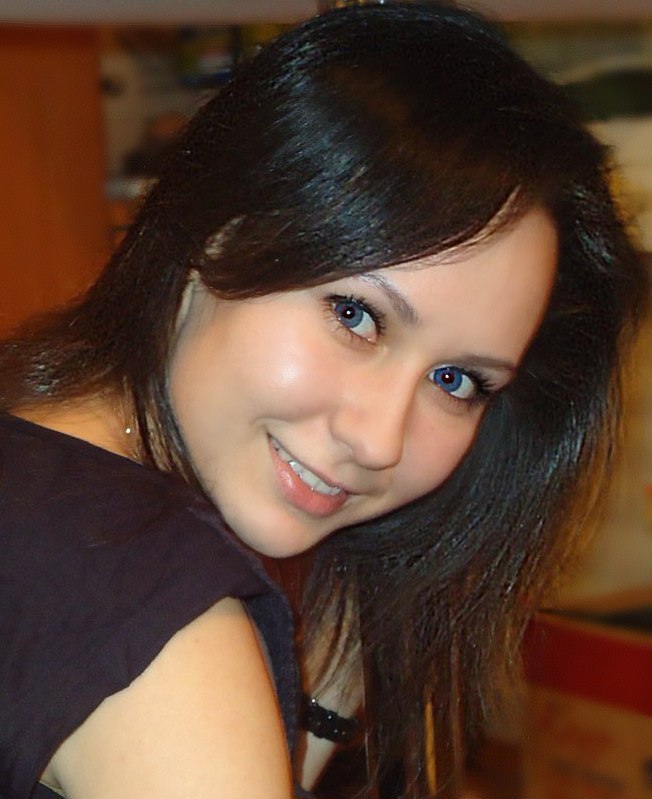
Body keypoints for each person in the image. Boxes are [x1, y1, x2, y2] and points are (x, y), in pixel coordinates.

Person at [0, 3, 647, 798]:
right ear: (218, 231)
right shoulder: (161, 633)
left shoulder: (35, 447)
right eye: (356, 316)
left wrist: (333, 668)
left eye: (456, 381)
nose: (379, 440)